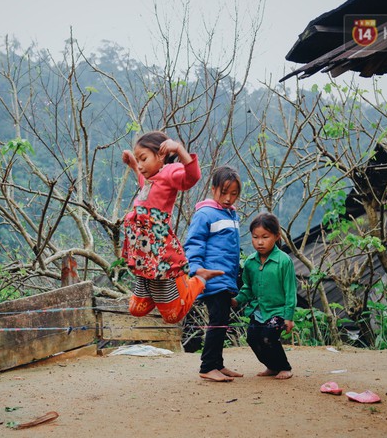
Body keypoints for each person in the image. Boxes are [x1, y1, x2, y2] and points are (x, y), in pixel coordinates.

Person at [122, 131, 223, 324]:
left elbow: (193, 177)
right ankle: (161, 294)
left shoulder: (170, 172)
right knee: (135, 310)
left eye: (143, 158)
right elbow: (146, 187)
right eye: (138, 160)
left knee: (172, 316)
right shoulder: (153, 177)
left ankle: (198, 279)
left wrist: (179, 149)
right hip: (144, 255)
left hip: (159, 253)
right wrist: (134, 166)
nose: (141, 165)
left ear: (160, 156)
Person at [184, 166, 244, 382]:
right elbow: (193, 243)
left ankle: (217, 364)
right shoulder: (205, 214)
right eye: (224, 192)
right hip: (212, 278)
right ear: (213, 190)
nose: (228, 198)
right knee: (217, 321)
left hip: (226, 278)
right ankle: (207, 366)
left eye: (234, 193)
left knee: (222, 321)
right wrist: (197, 269)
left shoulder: (231, 213)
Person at [232, 212, 296, 379]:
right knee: (253, 338)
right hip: (259, 311)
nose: (259, 242)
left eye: (265, 237)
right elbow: (248, 288)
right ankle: (272, 366)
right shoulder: (250, 262)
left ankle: (284, 366)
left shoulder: (284, 261)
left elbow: (290, 292)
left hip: (278, 311)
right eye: (255, 237)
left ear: (276, 236)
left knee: (268, 338)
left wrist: (288, 317)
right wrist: (236, 300)